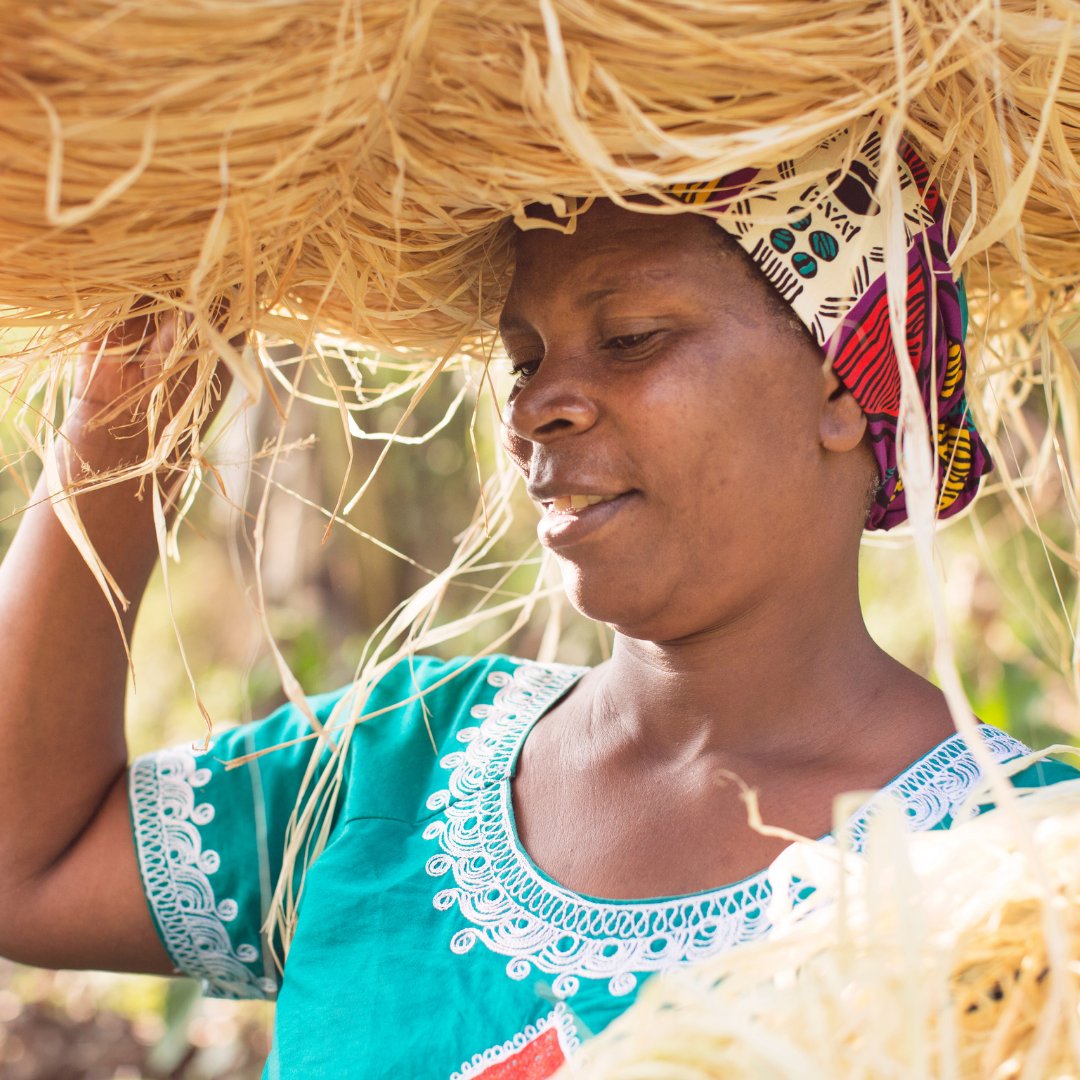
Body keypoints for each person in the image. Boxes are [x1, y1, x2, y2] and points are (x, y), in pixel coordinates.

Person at [0, 124, 1074, 1079]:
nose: (539, 409)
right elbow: (26, 864)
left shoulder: (1028, 872)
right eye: (523, 359)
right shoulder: (397, 760)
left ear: (847, 383)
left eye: (631, 338)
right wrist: (136, 394)